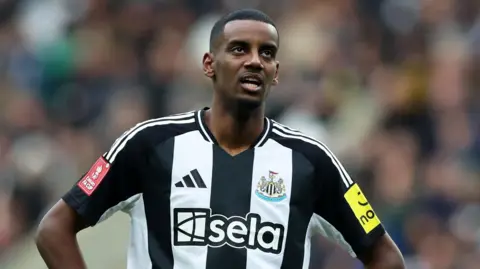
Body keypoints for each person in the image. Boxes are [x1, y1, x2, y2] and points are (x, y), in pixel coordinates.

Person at [35, 8, 405, 269]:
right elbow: (55, 228)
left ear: (276, 73)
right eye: (239, 49)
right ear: (209, 64)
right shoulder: (149, 145)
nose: (255, 61)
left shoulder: (311, 160)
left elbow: (384, 255)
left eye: (268, 53)